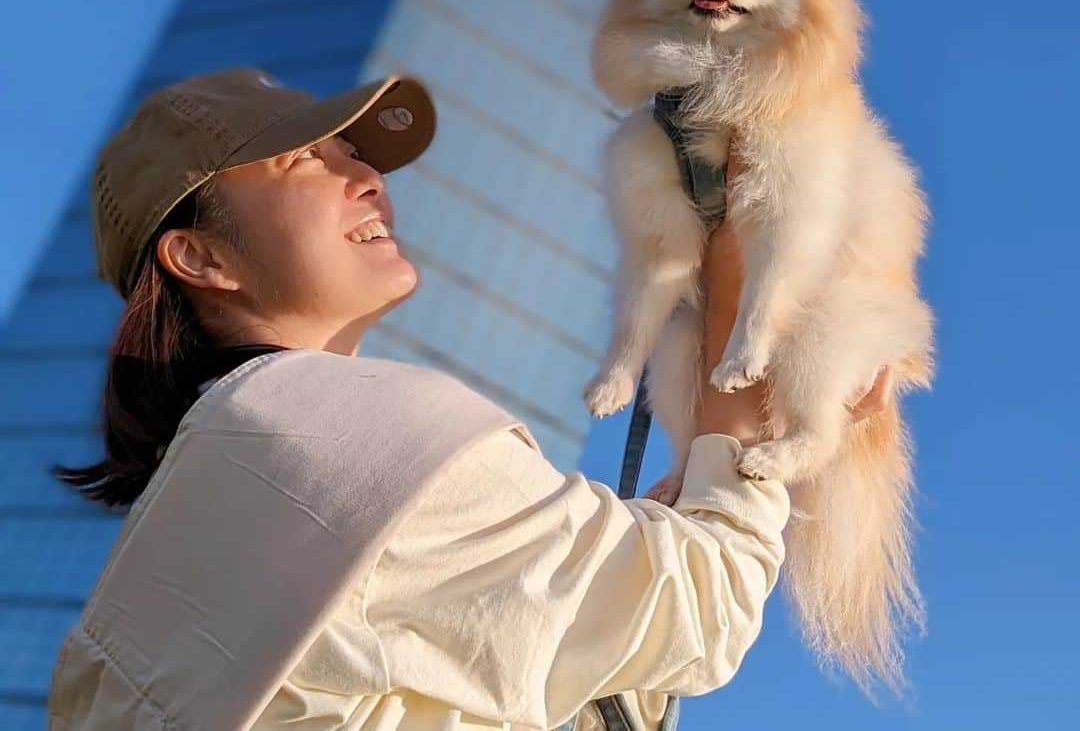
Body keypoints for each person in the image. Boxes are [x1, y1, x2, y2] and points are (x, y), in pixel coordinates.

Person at [46, 66, 890, 730]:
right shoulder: (340, 426)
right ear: (202, 260)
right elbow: (697, 612)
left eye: (354, 153)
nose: (365, 175)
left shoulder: (205, 490)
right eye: (305, 158)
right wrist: (742, 298)